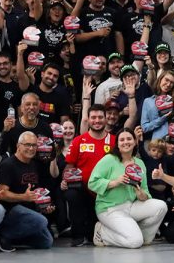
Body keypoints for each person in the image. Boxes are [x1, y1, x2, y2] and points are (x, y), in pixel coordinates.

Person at [87, 128, 167, 248]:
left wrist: (142, 195)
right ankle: (102, 233)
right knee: (135, 242)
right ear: (117, 144)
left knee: (161, 206)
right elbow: (92, 183)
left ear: (134, 142)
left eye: (129, 139)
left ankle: (143, 236)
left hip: (131, 206)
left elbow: (145, 191)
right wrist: (115, 182)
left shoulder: (139, 163)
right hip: (110, 209)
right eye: (122, 140)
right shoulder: (109, 159)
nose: (126, 142)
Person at [64, 104, 117, 246]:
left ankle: (92, 230)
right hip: (83, 191)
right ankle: (77, 235)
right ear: (88, 119)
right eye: (93, 117)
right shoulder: (78, 141)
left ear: (106, 119)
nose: (97, 120)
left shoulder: (114, 141)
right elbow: (69, 166)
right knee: (71, 193)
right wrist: (65, 179)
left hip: (106, 192)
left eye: (100, 117)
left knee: (93, 234)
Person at [0, 131, 55, 251]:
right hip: (11, 209)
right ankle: (3, 235)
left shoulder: (35, 164)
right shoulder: (7, 165)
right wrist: (23, 197)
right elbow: (2, 194)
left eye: (34, 145)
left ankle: (15, 239)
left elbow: (36, 192)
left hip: (29, 209)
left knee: (47, 241)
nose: (31, 148)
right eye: (27, 145)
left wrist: (44, 205)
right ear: (18, 146)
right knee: (41, 221)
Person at [140, 70, 174, 140]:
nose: (168, 84)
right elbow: (144, 128)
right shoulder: (148, 101)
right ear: (160, 79)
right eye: (166, 80)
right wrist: (162, 119)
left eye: (172, 83)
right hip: (158, 141)